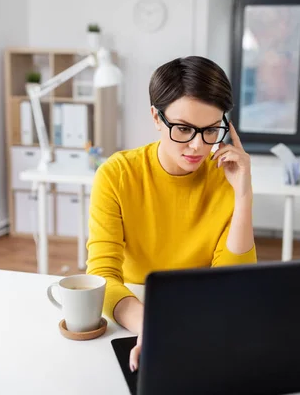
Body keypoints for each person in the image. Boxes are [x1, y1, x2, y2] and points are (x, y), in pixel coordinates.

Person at [86, 55, 257, 372]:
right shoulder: (117, 175)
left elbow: (235, 283)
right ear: (155, 117)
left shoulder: (226, 176)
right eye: (183, 129)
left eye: (210, 130)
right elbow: (102, 276)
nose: (196, 146)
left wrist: (244, 194)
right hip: (134, 312)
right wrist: (152, 327)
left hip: (207, 315)